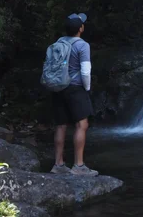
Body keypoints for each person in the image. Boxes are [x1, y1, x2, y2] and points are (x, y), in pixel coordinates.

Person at [50, 13, 98, 176]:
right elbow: (85, 71)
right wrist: (87, 88)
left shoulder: (58, 42)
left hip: (58, 87)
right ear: (81, 28)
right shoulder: (82, 45)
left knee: (61, 125)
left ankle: (58, 164)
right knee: (81, 125)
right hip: (75, 88)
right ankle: (78, 166)